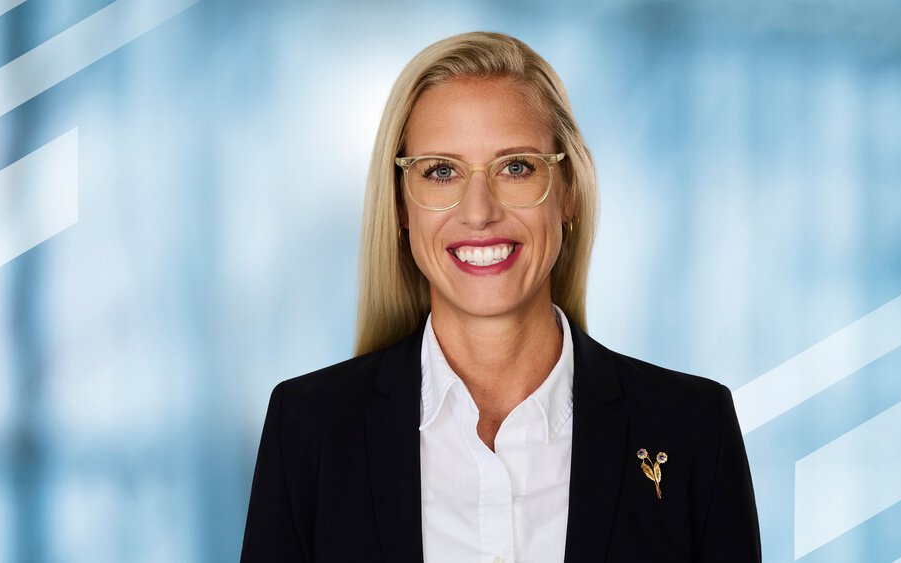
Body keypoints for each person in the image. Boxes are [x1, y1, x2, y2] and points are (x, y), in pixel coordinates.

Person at [241, 31, 761, 563]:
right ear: (400, 206)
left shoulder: (693, 428)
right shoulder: (308, 431)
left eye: (516, 167)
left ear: (569, 192)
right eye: (441, 171)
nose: (479, 211)